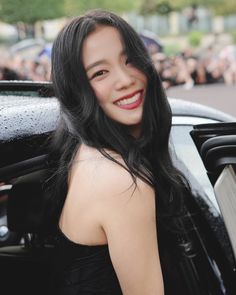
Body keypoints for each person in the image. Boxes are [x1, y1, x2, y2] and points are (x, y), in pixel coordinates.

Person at [48, 9, 190, 295]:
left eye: (130, 60)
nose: (125, 79)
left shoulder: (81, 152)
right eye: (100, 72)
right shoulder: (123, 182)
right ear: (77, 89)